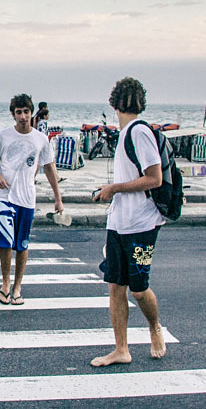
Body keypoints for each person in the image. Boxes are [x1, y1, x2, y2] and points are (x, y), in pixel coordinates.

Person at [91, 77, 166, 367]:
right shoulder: (124, 134)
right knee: (115, 286)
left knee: (138, 287)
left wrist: (114, 188)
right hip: (119, 222)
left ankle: (154, 327)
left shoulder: (139, 132)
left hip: (141, 224)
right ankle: (121, 349)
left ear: (114, 102)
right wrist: (110, 189)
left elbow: (155, 178)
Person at [0, 93, 64, 306]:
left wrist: (57, 198)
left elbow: (50, 168)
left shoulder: (40, 139)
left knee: (22, 245)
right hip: (5, 197)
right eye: (18, 112)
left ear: (31, 113)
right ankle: (5, 283)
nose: (23, 116)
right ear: (13, 114)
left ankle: (17, 287)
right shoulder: (2, 136)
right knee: (5, 242)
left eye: (26, 112)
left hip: (27, 198)